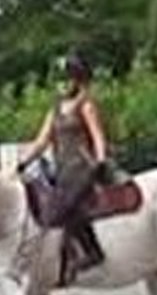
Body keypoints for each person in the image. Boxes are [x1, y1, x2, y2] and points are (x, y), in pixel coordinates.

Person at [16, 53, 109, 280]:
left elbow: (98, 135)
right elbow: (41, 141)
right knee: (47, 206)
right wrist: (23, 162)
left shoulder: (86, 106)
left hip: (83, 167)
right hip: (62, 170)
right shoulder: (55, 109)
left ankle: (93, 252)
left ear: (78, 80)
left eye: (67, 79)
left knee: (67, 205)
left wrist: (101, 160)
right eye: (59, 80)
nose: (63, 84)